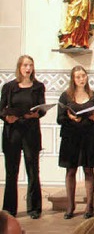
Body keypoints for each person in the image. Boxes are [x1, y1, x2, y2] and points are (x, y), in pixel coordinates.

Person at [1, 55, 45, 219]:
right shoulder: (9, 87)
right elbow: (1, 109)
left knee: (33, 170)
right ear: (19, 67)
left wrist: (36, 114)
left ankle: (34, 208)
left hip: (31, 131)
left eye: (31, 65)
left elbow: (42, 108)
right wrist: (6, 117)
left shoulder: (38, 87)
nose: (28, 68)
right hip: (13, 131)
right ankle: (9, 209)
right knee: (11, 171)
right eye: (26, 65)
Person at [57, 66, 94, 219]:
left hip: (89, 137)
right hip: (71, 138)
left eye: (83, 76)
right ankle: (70, 205)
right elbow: (59, 119)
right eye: (78, 77)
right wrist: (70, 118)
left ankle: (89, 205)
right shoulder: (66, 97)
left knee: (89, 171)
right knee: (70, 171)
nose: (81, 79)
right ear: (73, 79)